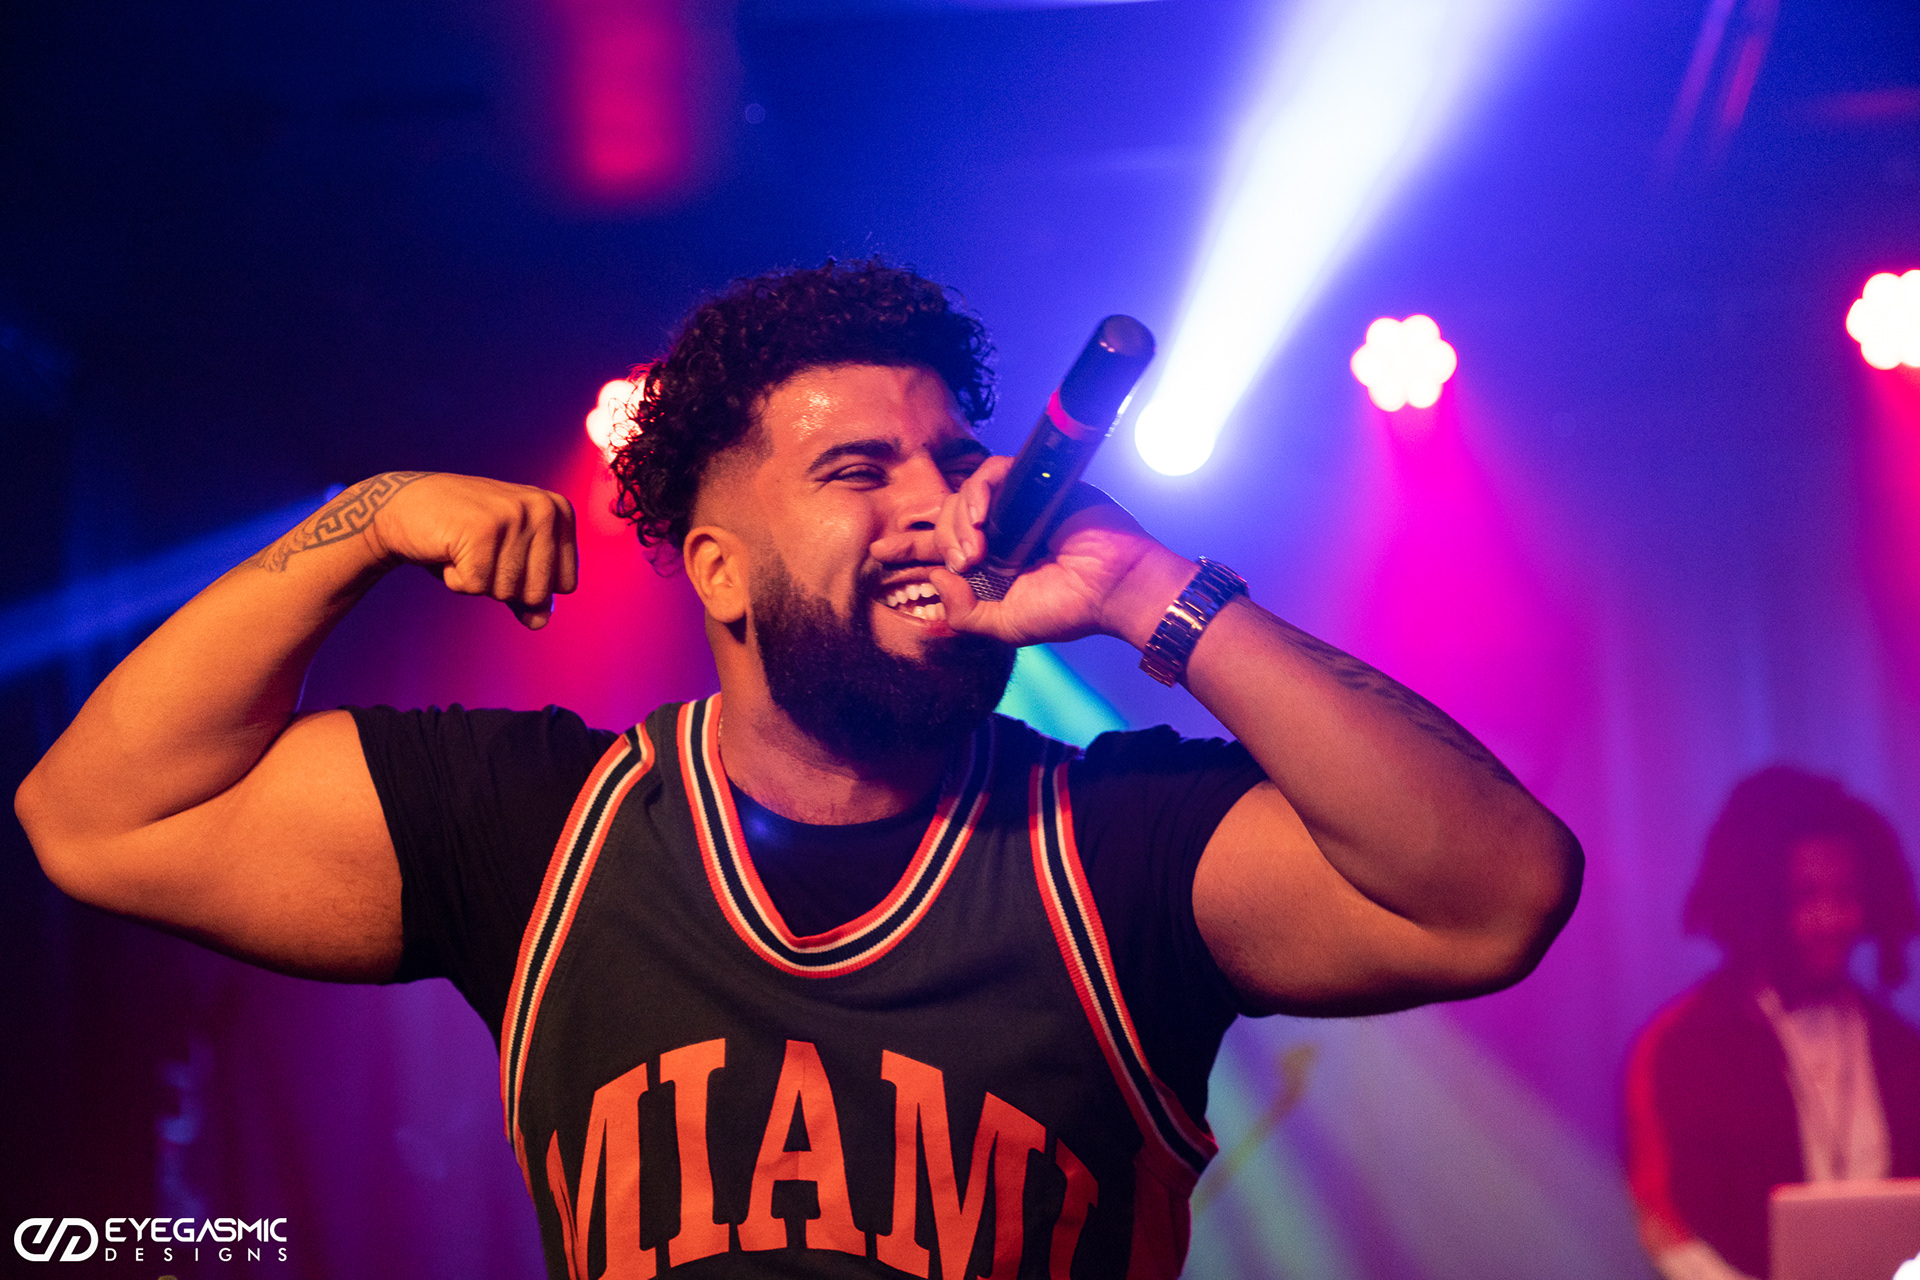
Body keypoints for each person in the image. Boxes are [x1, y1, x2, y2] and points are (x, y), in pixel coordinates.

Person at [16, 259, 1582, 1278]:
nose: (939, 505)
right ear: (717, 569)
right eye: (857, 471)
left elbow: (1497, 896)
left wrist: (1143, 590)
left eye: (951, 461)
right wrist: (361, 522)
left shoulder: (1112, 843)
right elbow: (97, 820)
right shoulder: (549, 829)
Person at [1624, 765, 1920, 1280]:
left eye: (1847, 896)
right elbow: (1667, 1225)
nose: (1832, 919)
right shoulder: (1682, 1045)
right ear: (1758, 902)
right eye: (1805, 897)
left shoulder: (1902, 1048)